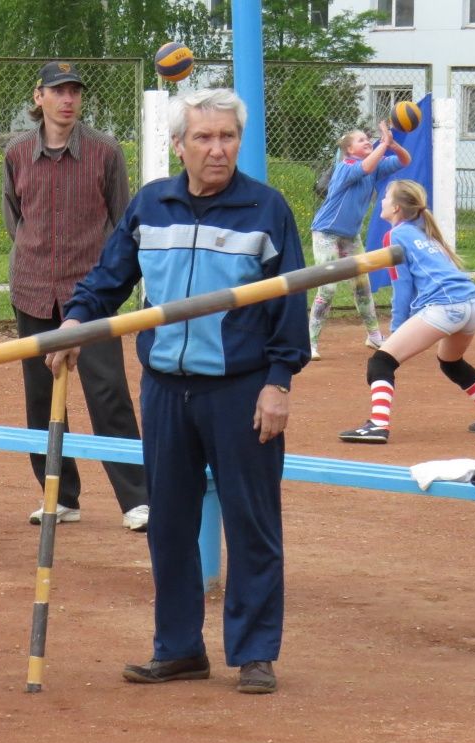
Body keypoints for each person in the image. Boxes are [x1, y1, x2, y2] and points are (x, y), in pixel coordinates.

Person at [49, 88, 310, 694]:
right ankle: (179, 647)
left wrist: (278, 383)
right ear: (178, 145)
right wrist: (74, 323)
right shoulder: (151, 206)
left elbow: (289, 310)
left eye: (227, 137)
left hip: (241, 391)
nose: (217, 149)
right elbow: (108, 279)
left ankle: (254, 653)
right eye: (204, 138)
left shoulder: (267, 210)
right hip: (166, 389)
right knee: (168, 523)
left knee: (252, 523)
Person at [1, 60, 149, 532]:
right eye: (58, 91)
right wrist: (34, 257)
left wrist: (107, 280)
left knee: (109, 394)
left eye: (75, 91)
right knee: (41, 399)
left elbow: (124, 221)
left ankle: (137, 500)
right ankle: (60, 497)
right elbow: (14, 216)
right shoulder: (17, 152)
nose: (68, 99)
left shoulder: (105, 152)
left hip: (91, 295)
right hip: (32, 290)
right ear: (38, 96)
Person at [339, 180, 475, 443]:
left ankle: (378, 426)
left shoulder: (395, 235)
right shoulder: (424, 232)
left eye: (385, 197)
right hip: (472, 304)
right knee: (452, 363)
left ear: (395, 208)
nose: (380, 201)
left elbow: (402, 286)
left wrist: (397, 329)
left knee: (382, 361)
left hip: (447, 306)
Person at [307, 122, 411, 360]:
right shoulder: (346, 167)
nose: (367, 141)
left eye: (368, 139)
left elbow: (405, 161)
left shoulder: (373, 166)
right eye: (361, 140)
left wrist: (393, 145)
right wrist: (383, 144)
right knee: (328, 287)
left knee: (362, 285)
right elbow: (365, 167)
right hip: (326, 233)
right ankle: (310, 341)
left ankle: (374, 336)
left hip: (350, 236)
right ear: (349, 150)